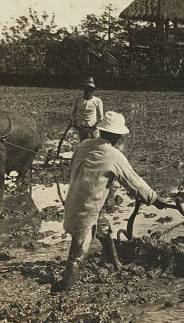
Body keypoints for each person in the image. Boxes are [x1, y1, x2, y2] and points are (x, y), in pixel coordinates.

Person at [54, 111, 171, 292]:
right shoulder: (113, 155)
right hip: (87, 208)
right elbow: (134, 182)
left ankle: (115, 264)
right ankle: (65, 289)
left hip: (73, 202)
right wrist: (154, 199)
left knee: (102, 228)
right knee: (78, 250)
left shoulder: (84, 145)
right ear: (116, 136)